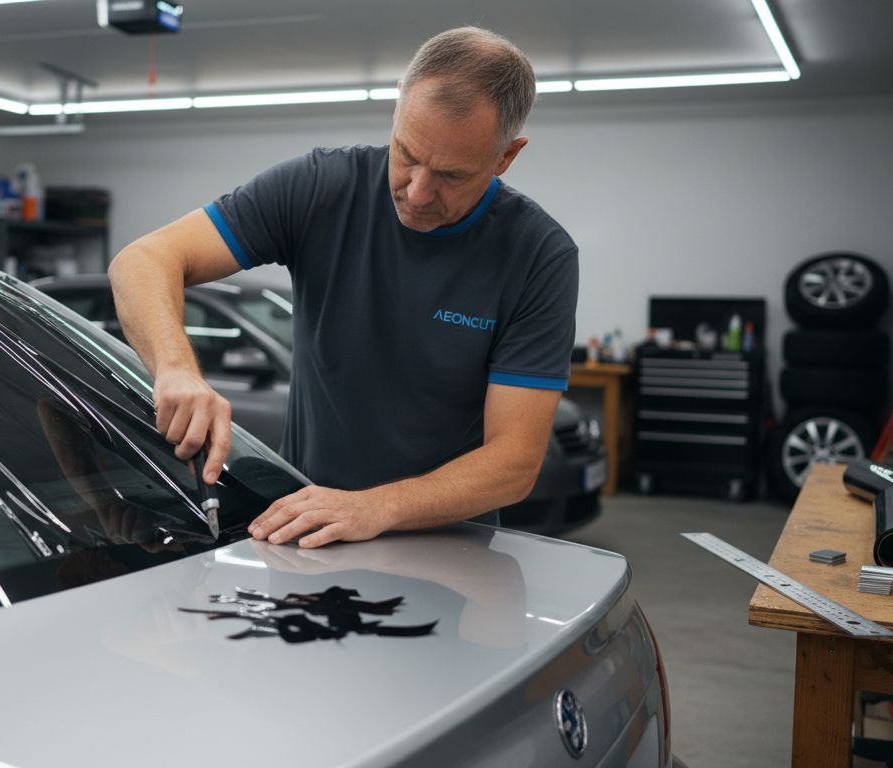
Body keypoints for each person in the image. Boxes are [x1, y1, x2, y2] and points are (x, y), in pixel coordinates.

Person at [108, 26, 578, 549]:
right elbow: (143, 260)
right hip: (305, 526)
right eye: (407, 155)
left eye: (451, 175)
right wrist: (176, 369)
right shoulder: (319, 189)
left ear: (506, 157)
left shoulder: (538, 255)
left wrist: (375, 506)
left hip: (448, 545)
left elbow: (513, 463)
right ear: (399, 103)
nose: (418, 192)